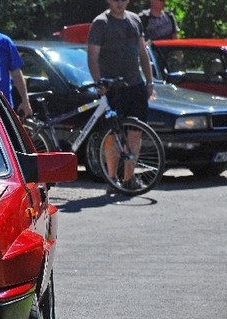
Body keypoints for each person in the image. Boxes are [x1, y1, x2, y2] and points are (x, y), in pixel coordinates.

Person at [88, 0, 154, 194]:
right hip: (113, 88)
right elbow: (92, 56)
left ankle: (129, 178)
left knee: (136, 132)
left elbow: (143, 52)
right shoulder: (101, 23)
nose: (120, 3)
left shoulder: (134, 20)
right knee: (112, 136)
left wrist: (149, 82)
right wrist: (99, 82)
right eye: (116, 0)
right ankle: (112, 178)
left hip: (135, 85)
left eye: (123, 0)